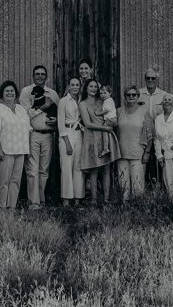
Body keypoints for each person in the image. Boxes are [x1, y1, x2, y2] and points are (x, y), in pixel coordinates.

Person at [19, 65, 60, 209]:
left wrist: (56, 121)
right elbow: (25, 115)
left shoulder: (53, 94)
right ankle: (33, 203)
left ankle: (42, 200)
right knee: (32, 169)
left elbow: (58, 113)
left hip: (49, 135)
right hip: (32, 134)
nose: (40, 76)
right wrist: (42, 107)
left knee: (44, 171)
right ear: (33, 76)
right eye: (37, 74)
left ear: (46, 76)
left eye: (43, 74)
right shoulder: (26, 92)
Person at [0, 80, 31, 209]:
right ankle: (1, 208)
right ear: (2, 94)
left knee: (16, 181)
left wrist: (27, 149)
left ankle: (11, 208)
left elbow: (28, 129)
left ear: (15, 93)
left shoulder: (21, 109)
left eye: (12, 91)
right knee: (3, 181)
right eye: (7, 91)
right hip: (5, 151)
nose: (10, 93)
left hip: (20, 150)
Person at [79, 78, 120, 206]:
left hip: (105, 137)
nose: (93, 89)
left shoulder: (102, 100)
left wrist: (110, 125)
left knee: (107, 169)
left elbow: (110, 113)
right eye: (90, 86)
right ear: (86, 88)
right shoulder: (83, 104)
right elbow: (87, 124)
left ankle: (106, 199)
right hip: (92, 137)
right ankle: (94, 199)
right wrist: (105, 128)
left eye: (95, 87)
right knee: (94, 169)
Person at [115, 85, 151, 201]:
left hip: (138, 154)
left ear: (137, 96)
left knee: (138, 185)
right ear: (125, 96)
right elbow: (114, 132)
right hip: (121, 153)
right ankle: (125, 210)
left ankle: (138, 209)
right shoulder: (119, 111)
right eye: (128, 95)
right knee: (123, 185)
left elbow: (150, 135)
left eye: (133, 95)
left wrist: (147, 152)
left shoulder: (144, 112)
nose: (131, 97)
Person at [138, 66, 172, 184]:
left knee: (161, 164)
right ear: (145, 79)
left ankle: (162, 191)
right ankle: (144, 193)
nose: (150, 80)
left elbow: (169, 116)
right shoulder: (138, 94)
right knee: (144, 163)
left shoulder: (164, 95)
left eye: (153, 78)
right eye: (148, 78)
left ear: (157, 79)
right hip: (143, 135)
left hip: (159, 135)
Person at [57, 77, 84, 206]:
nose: (75, 87)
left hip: (79, 134)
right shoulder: (63, 101)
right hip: (66, 134)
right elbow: (60, 123)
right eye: (72, 84)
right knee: (66, 167)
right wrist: (66, 142)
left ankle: (78, 198)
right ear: (68, 86)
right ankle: (66, 199)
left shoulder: (81, 100)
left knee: (78, 167)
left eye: (77, 85)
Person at [97, 84, 118, 157]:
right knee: (107, 132)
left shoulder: (108, 100)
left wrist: (98, 113)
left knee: (104, 129)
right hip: (111, 119)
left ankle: (106, 148)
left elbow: (106, 110)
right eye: (101, 93)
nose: (103, 95)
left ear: (110, 93)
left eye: (105, 93)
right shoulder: (107, 100)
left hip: (111, 119)